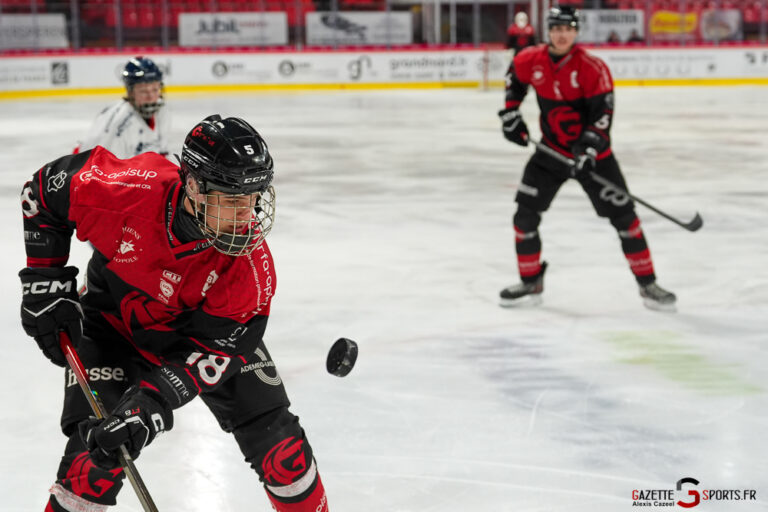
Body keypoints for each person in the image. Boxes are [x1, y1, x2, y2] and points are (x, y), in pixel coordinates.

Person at [19, 115, 329, 511]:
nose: (247, 215)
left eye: (254, 198)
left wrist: (150, 404)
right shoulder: (127, 189)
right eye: (233, 198)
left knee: (283, 453)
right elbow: (42, 192)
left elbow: (214, 352)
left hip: (202, 336)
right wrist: (45, 282)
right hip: (112, 326)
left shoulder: (250, 268)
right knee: (91, 464)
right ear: (195, 186)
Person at [496, 6, 676, 311]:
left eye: (567, 28)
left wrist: (589, 150)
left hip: (594, 159)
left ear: (576, 31)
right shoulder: (531, 59)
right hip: (550, 155)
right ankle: (531, 281)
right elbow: (514, 78)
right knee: (524, 217)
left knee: (625, 220)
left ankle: (648, 285)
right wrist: (511, 113)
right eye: (556, 28)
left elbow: (602, 116)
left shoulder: (592, 68)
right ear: (548, 31)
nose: (561, 34)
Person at [74, 56, 170, 159]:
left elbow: (162, 154)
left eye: (155, 90)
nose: (151, 97)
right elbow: (106, 167)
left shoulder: (162, 111)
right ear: (131, 92)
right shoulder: (119, 121)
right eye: (144, 91)